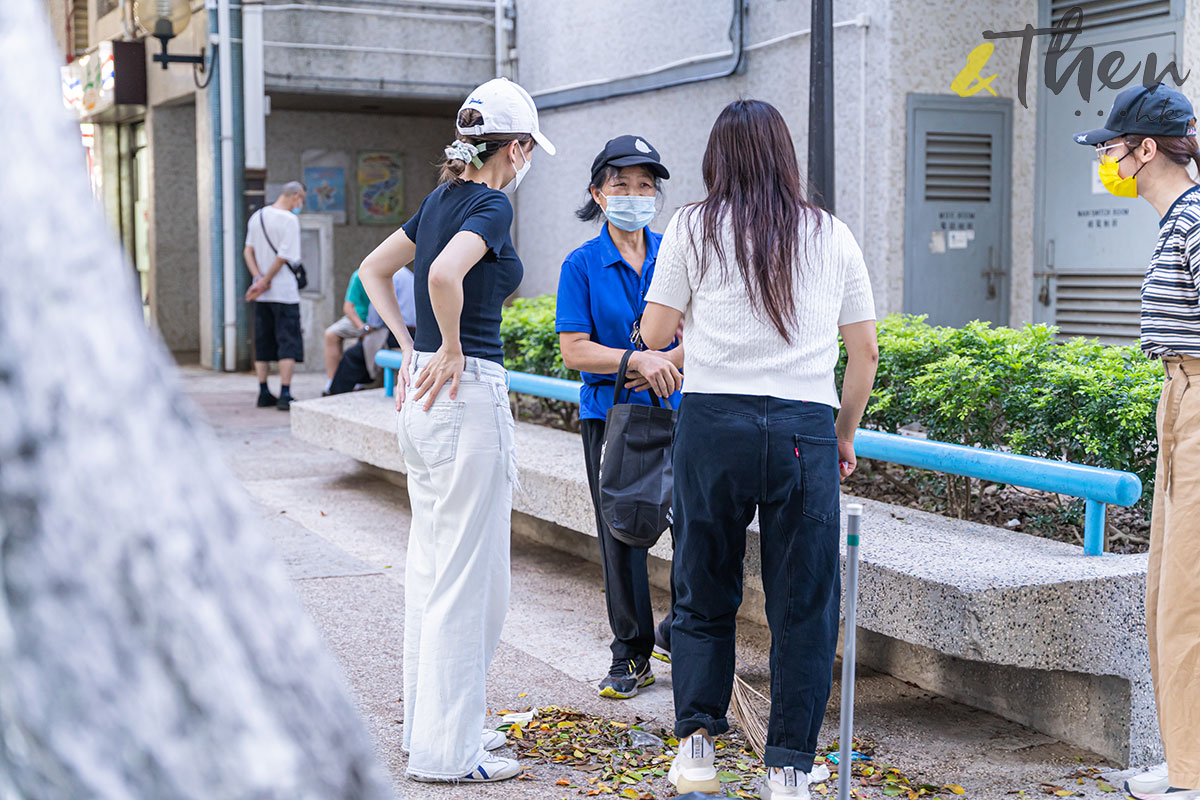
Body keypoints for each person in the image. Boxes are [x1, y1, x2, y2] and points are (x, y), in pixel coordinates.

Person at [636, 100, 878, 799]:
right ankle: (789, 769)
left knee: (703, 583)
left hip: (713, 424)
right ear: (784, 156)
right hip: (804, 427)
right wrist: (843, 433)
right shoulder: (831, 234)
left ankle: (698, 751)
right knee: (803, 602)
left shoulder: (691, 225)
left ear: (718, 157)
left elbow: (654, 334)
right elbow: (862, 354)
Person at [357, 77, 554, 784]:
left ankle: (432, 733)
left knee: (432, 571)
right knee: (470, 585)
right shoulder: (491, 203)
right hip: (467, 398)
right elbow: (442, 274)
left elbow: (374, 269)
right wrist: (448, 345)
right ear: (519, 146)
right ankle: (451, 753)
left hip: (425, 402)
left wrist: (410, 348)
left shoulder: (438, 199)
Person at [1073, 82, 1200, 800]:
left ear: (1147, 149)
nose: (1107, 162)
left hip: (1199, 397)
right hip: (1179, 399)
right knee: (1166, 593)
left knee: (1189, 597)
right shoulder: (1179, 218)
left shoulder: (1195, 220)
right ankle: (1186, 759)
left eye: (1113, 149)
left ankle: (1194, 772)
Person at [556, 134, 682, 700]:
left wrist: (666, 362)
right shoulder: (581, 264)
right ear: (598, 194)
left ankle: (678, 631)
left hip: (682, 413)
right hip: (610, 419)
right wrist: (636, 358)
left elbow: (702, 332)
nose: (635, 194)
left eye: (646, 185)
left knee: (698, 530)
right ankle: (630, 654)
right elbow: (575, 350)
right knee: (622, 535)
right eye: (622, 184)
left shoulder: (675, 255)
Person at [244, 181, 306, 411]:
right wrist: (267, 280)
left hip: (261, 295)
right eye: (302, 200)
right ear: (295, 196)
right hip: (284, 292)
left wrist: (258, 279)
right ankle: (285, 392)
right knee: (287, 342)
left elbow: (247, 250)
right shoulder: (290, 220)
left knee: (262, 342)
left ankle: (262, 391)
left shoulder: (257, 216)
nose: (300, 205)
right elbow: (283, 258)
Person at [328, 268, 417, 395]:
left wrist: (368, 329)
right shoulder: (409, 274)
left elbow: (376, 315)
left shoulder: (386, 274)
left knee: (352, 356)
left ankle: (336, 394)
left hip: (396, 332)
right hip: (414, 333)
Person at [323, 268, 371, 394]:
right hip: (359, 318)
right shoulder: (358, 275)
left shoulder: (394, 277)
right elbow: (348, 307)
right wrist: (362, 328)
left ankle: (359, 381)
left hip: (378, 322)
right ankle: (332, 380)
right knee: (330, 334)